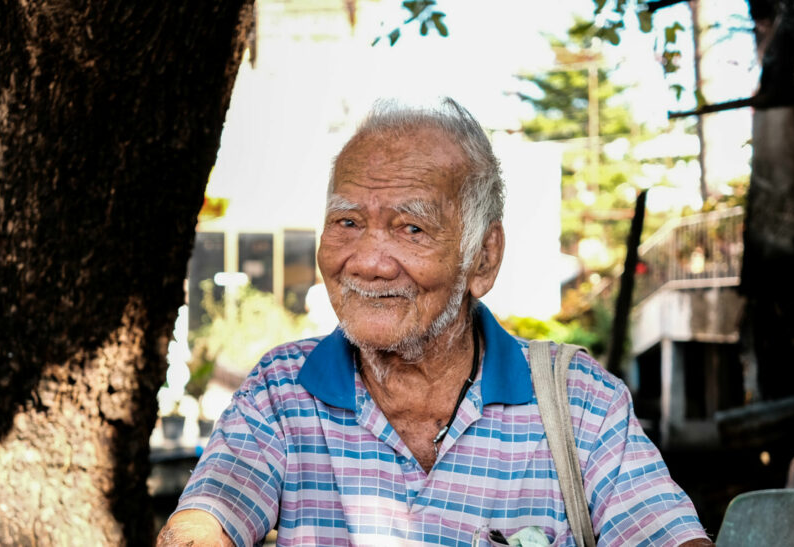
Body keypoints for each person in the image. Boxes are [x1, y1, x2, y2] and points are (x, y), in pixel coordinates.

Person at [158, 98, 712, 546]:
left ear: (483, 258)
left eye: (411, 229)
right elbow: (209, 517)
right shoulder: (281, 390)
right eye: (347, 221)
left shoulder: (578, 404)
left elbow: (663, 534)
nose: (368, 262)